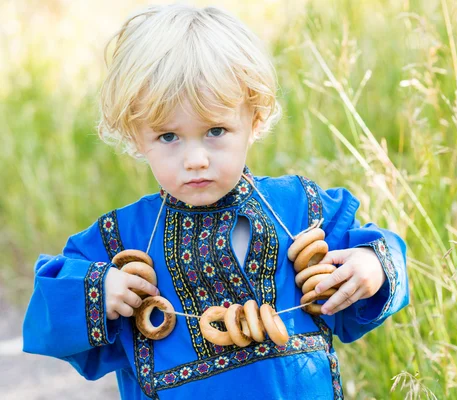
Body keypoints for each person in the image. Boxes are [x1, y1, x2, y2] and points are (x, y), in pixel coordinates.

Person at [22, 4, 409, 399]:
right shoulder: (123, 239)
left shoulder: (297, 210)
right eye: (168, 137)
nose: (195, 160)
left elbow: (379, 250)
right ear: (137, 136)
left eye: (216, 130)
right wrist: (100, 291)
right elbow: (45, 314)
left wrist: (373, 265)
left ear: (254, 119)